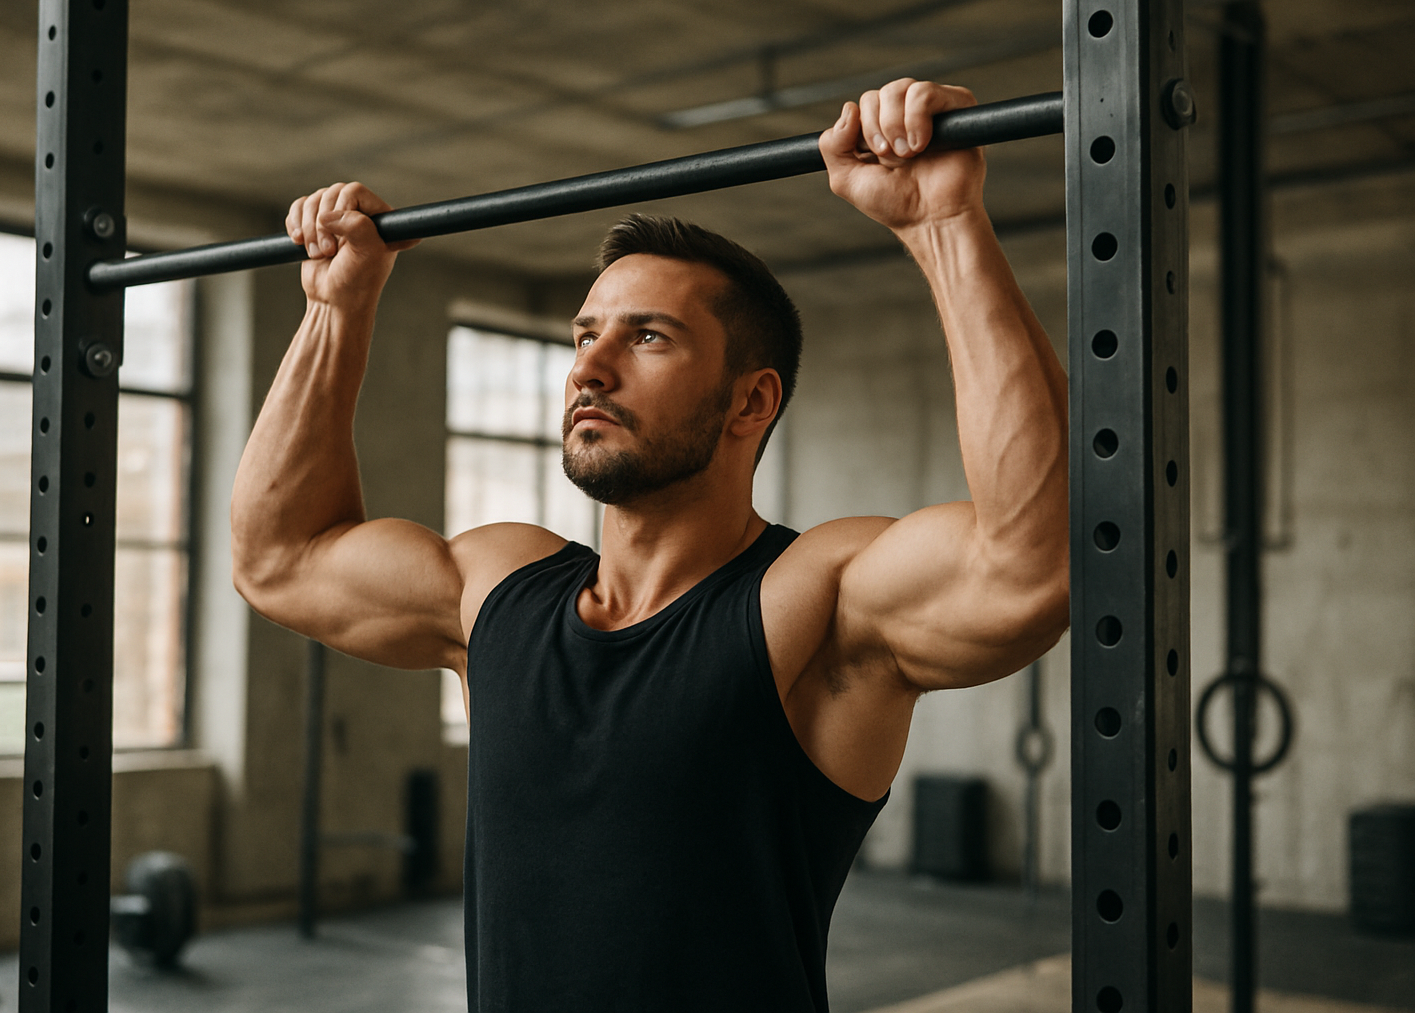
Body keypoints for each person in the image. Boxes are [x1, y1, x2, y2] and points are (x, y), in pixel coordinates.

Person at [232, 78, 1069, 1013]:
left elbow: (1035, 561)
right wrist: (336, 308)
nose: (589, 366)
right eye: (586, 335)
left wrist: (944, 223)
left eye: (649, 338)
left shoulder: (811, 603)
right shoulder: (499, 591)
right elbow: (281, 556)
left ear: (751, 401)